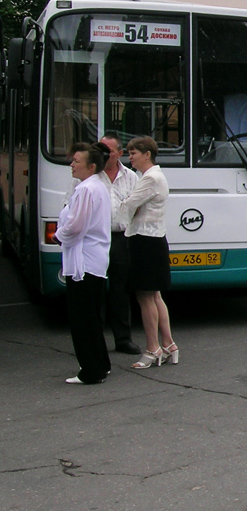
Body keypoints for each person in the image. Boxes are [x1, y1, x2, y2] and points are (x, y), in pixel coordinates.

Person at [119, 136, 179, 368]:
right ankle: (169, 344)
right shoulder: (155, 177)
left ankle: (152, 348)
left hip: (144, 239)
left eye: (134, 153)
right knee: (154, 295)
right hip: (154, 238)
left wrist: (124, 208)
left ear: (147, 154)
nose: (130, 157)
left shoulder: (150, 178)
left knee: (145, 296)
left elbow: (129, 204)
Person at [56, 142, 113, 385]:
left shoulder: (86, 189)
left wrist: (58, 235)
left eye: (76, 161)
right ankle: (101, 363)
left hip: (84, 263)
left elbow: (76, 226)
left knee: (82, 319)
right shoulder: (96, 186)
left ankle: (91, 370)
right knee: (92, 317)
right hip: (95, 261)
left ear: (91, 166)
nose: (72, 165)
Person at [99, 132, 141, 355]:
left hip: (121, 238)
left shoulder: (132, 177)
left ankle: (123, 339)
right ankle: (96, 342)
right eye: (101, 150)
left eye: (109, 151)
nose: (104, 155)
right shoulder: (90, 176)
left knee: (120, 290)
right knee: (96, 291)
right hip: (96, 240)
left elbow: (138, 208)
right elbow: (69, 204)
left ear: (120, 153)